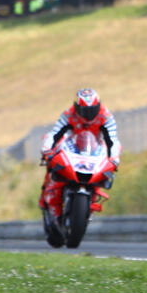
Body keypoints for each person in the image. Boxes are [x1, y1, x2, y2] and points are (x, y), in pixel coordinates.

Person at [38, 88, 122, 219]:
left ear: (98, 106)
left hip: (93, 151)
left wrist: (114, 158)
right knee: (53, 167)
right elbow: (55, 133)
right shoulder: (69, 114)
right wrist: (47, 150)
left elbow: (112, 140)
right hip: (71, 148)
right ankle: (48, 199)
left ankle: (91, 203)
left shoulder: (106, 116)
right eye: (84, 111)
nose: (88, 115)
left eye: (91, 110)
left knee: (103, 172)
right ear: (77, 107)